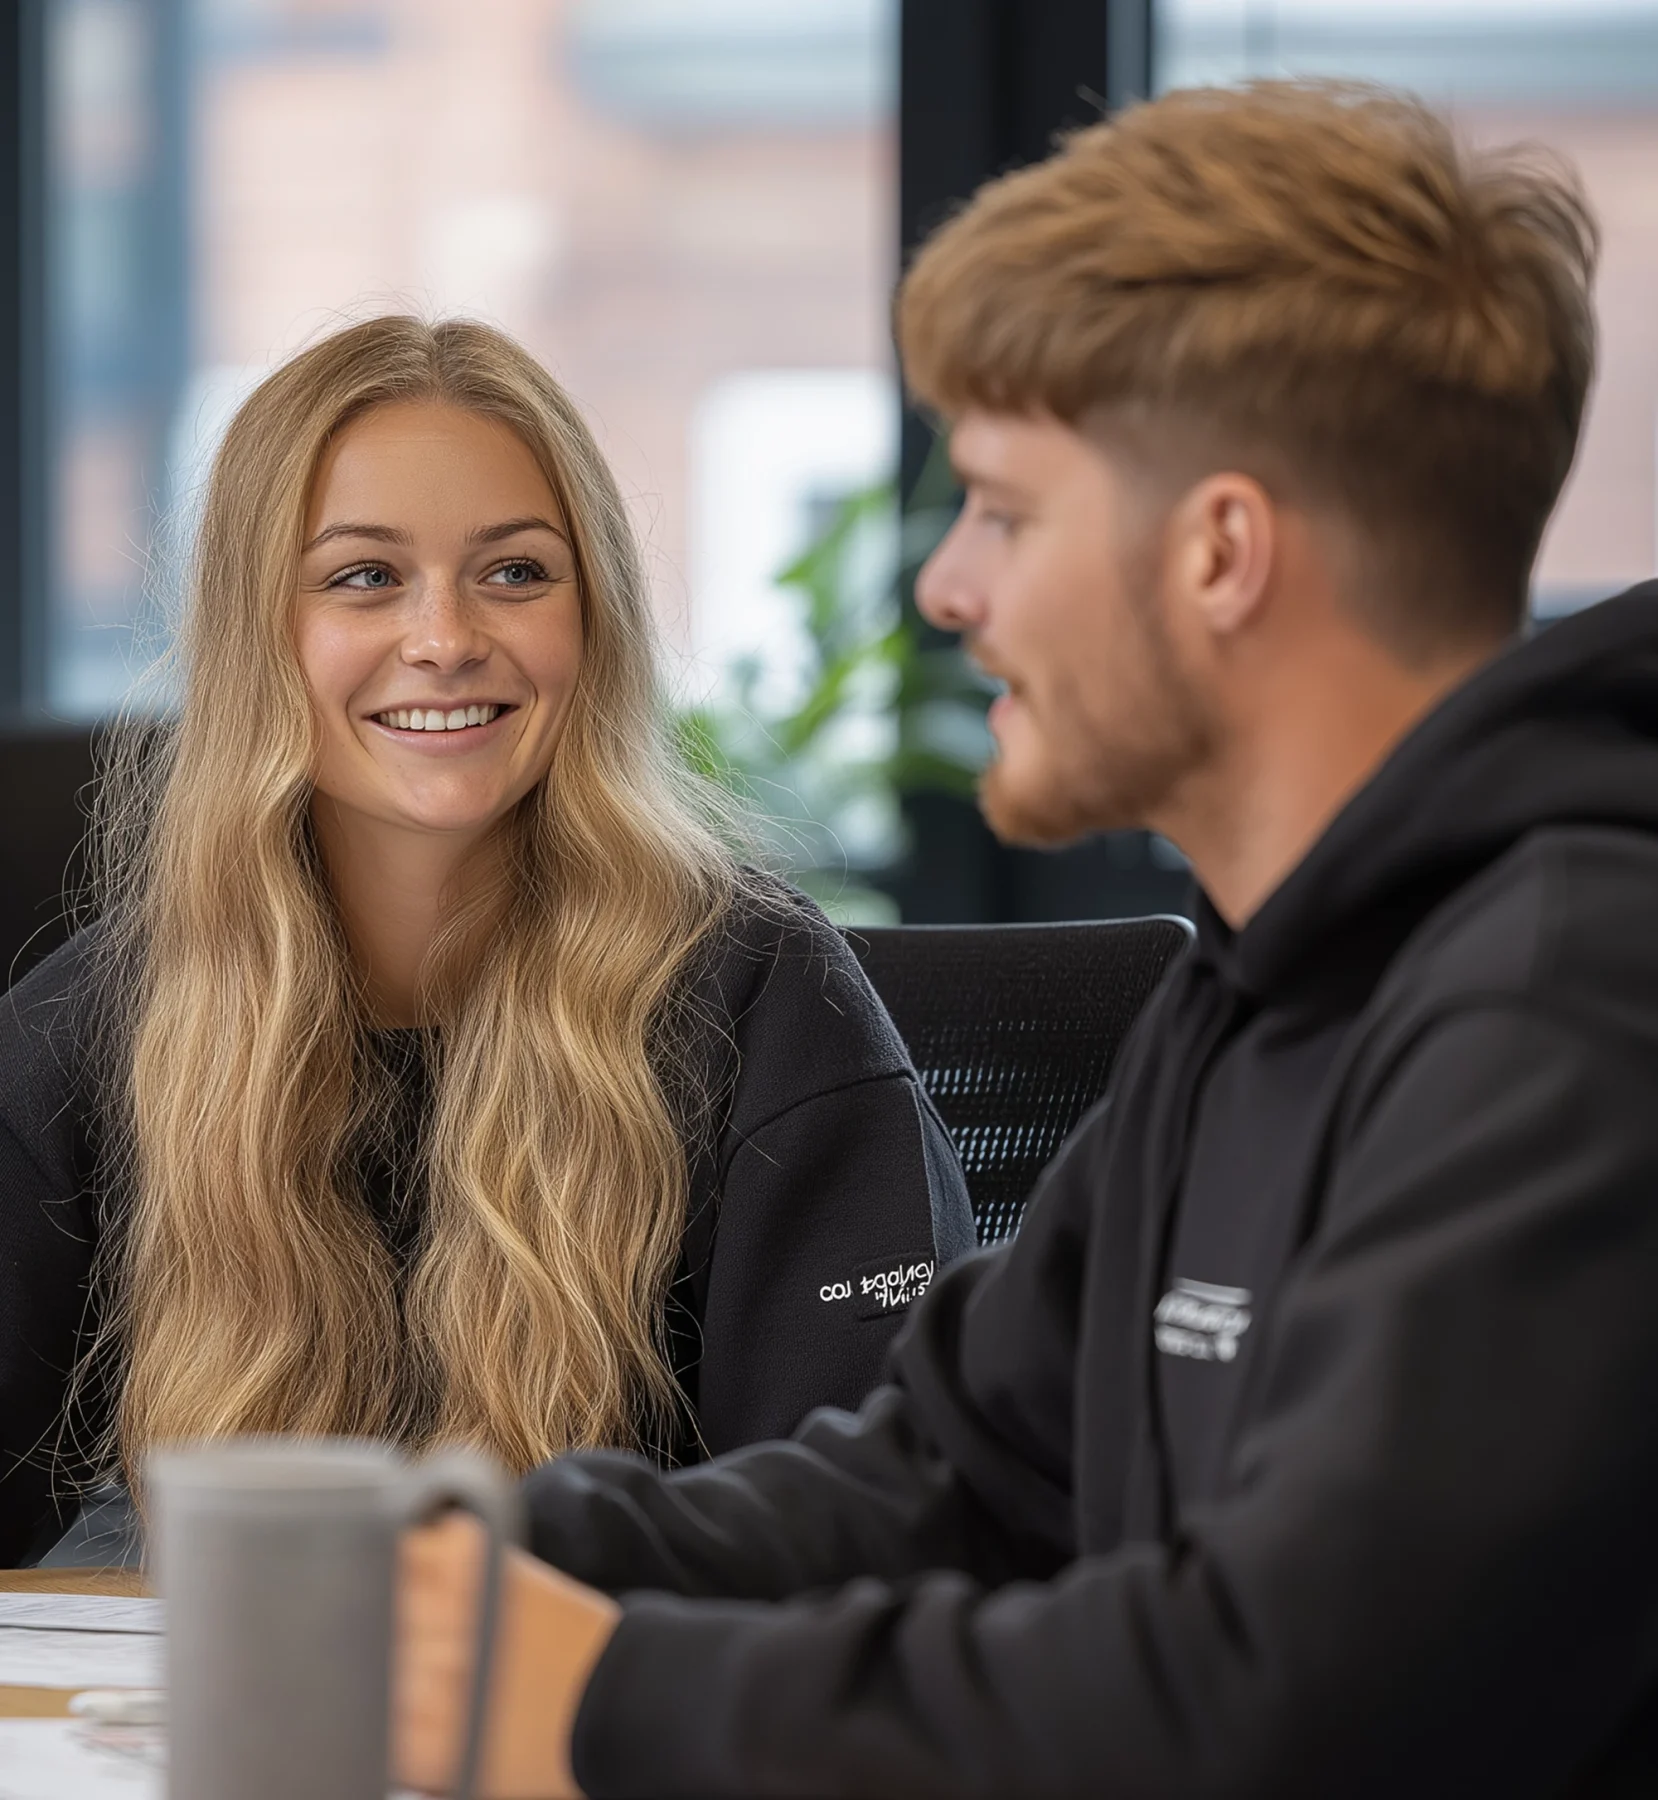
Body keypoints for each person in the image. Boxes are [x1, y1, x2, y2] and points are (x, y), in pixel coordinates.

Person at [392, 79, 1658, 1799]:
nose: (945, 588)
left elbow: (1275, 1705)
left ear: (1218, 552)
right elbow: (956, 1479)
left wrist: (605, 1698)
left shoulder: (1565, 1013)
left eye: (1002, 509)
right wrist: (489, 1558)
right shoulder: (1255, 995)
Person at [0, 316, 974, 1567]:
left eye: (515, 572)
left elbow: (871, 1531)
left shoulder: (764, 1001)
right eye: (364, 577)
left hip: (624, 1686)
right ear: (257, 633)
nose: (447, 638)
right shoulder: (95, 1025)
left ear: (595, 619)